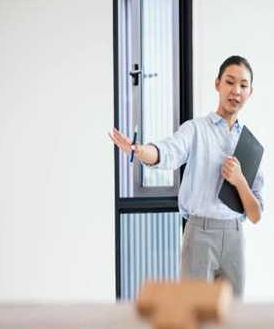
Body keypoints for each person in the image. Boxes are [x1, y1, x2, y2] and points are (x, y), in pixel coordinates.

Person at [109, 55, 263, 298]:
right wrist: (139, 150)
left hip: (235, 235)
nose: (236, 91)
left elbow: (255, 214)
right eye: (230, 82)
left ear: (250, 92)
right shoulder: (196, 129)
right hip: (200, 233)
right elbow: (167, 152)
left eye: (243, 85)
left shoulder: (252, 145)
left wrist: (240, 181)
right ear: (217, 84)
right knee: (193, 309)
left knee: (232, 314)